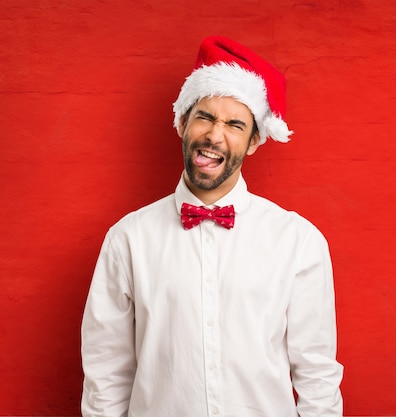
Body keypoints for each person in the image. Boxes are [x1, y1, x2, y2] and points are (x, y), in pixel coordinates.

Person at [81, 35, 344, 417]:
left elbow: (317, 375)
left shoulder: (297, 241)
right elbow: (106, 373)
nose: (214, 135)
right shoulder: (128, 239)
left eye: (234, 124)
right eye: (204, 117)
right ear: (182, 123)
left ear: (254, 140)